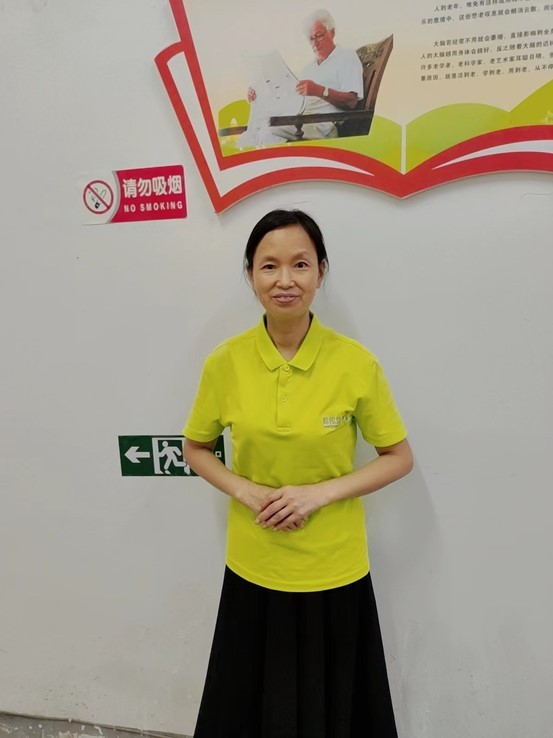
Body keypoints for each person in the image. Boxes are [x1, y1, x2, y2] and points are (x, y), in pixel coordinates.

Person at [183, 209, 413, 738]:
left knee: (334, 709)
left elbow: (398, 457)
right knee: (247, 708)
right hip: (254, 565)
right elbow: (195, 448)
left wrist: (318, 495)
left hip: (335, 569)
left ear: (321, 272)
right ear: (250, 274)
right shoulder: (225, 362)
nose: (284, 280)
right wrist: (245, 490)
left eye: (300, 264)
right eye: (269, 266)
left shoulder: (356, 363)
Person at [237, 9, 364, 148]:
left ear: (332, 32)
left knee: (269, 131)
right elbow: (291, 98)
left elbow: (351, 101)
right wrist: (259, 93)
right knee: (254, 131)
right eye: (311, 39)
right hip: (300, 119)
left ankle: (293, 159)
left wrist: (320, 91)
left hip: (322, 124)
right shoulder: (309, 69)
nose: (315, 43)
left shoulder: (346, 57)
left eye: (319, 36)